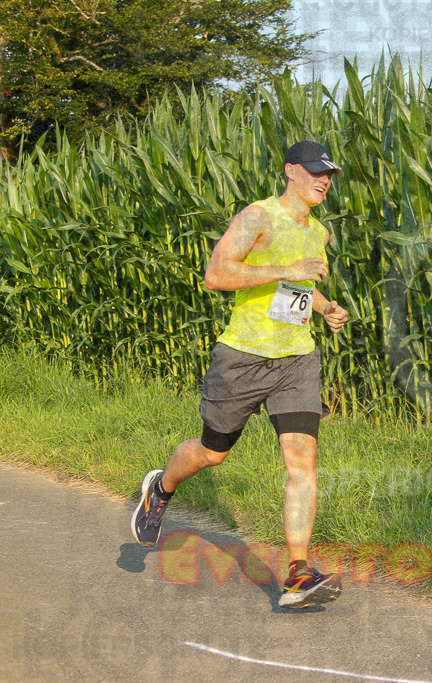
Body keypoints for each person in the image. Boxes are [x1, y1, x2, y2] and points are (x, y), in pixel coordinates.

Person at [131, 140, 350, 609]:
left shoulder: (320, 232)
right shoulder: (258, 216)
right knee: (212, 454)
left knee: (302, 462)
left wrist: (328, 306)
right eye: (315, 171)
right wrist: (285, 267)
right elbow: (217, 274)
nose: (324, 180)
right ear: (290, 170)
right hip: (242, 357)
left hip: (296, 359)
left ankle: (297, 573)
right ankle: (161, 487)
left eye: (329, 173)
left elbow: (298, 289)